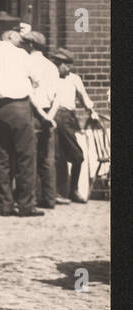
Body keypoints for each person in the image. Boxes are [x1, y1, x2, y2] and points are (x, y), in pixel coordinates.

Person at [0, 13, 45, 217]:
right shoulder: (21, 55)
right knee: (26, 158)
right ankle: (26, 204)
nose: (21, 37)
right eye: (18, 33)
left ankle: (5, 204)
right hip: (20, 107)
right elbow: (36, 80)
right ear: (10, 34)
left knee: (2, 158)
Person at [50, 48, 96, 204]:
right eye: (65, 65)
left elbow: (84, 98)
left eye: (69, 65)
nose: (68, 69)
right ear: (57, 63)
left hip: (68, 118)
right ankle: (54, 193)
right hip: (52, 117)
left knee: (77, 156)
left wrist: (92, 111)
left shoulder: (74, 79)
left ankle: (73, 190)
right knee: (55, 156)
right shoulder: (50, 77)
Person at [22, 30, 60, 208]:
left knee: (30, 156)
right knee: (47, 158)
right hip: (49, 113)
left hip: (34, 113)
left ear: (30, 45)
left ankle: (32, 198)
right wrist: (50, 117)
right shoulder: (51, 66)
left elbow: (29, 94)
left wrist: (43, 116)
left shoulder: (27, 63)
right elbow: (57, 97)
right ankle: (49, 198)